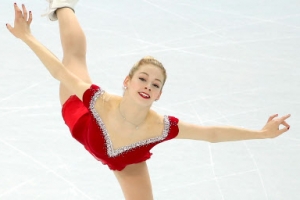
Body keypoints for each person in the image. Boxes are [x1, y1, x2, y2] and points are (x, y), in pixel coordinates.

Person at [6, 2, 291, 200]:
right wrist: (27, 37)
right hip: (81, 118)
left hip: (127, 161)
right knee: (74, 56)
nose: (147, 86)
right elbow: (58, 71)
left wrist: (262, 135)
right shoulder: (100, 101)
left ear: (159, 95)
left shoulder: (160, 127)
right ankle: (63, 5)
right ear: (127, 82)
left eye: (155, 84)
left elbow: (212, 135)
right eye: (142, 78)